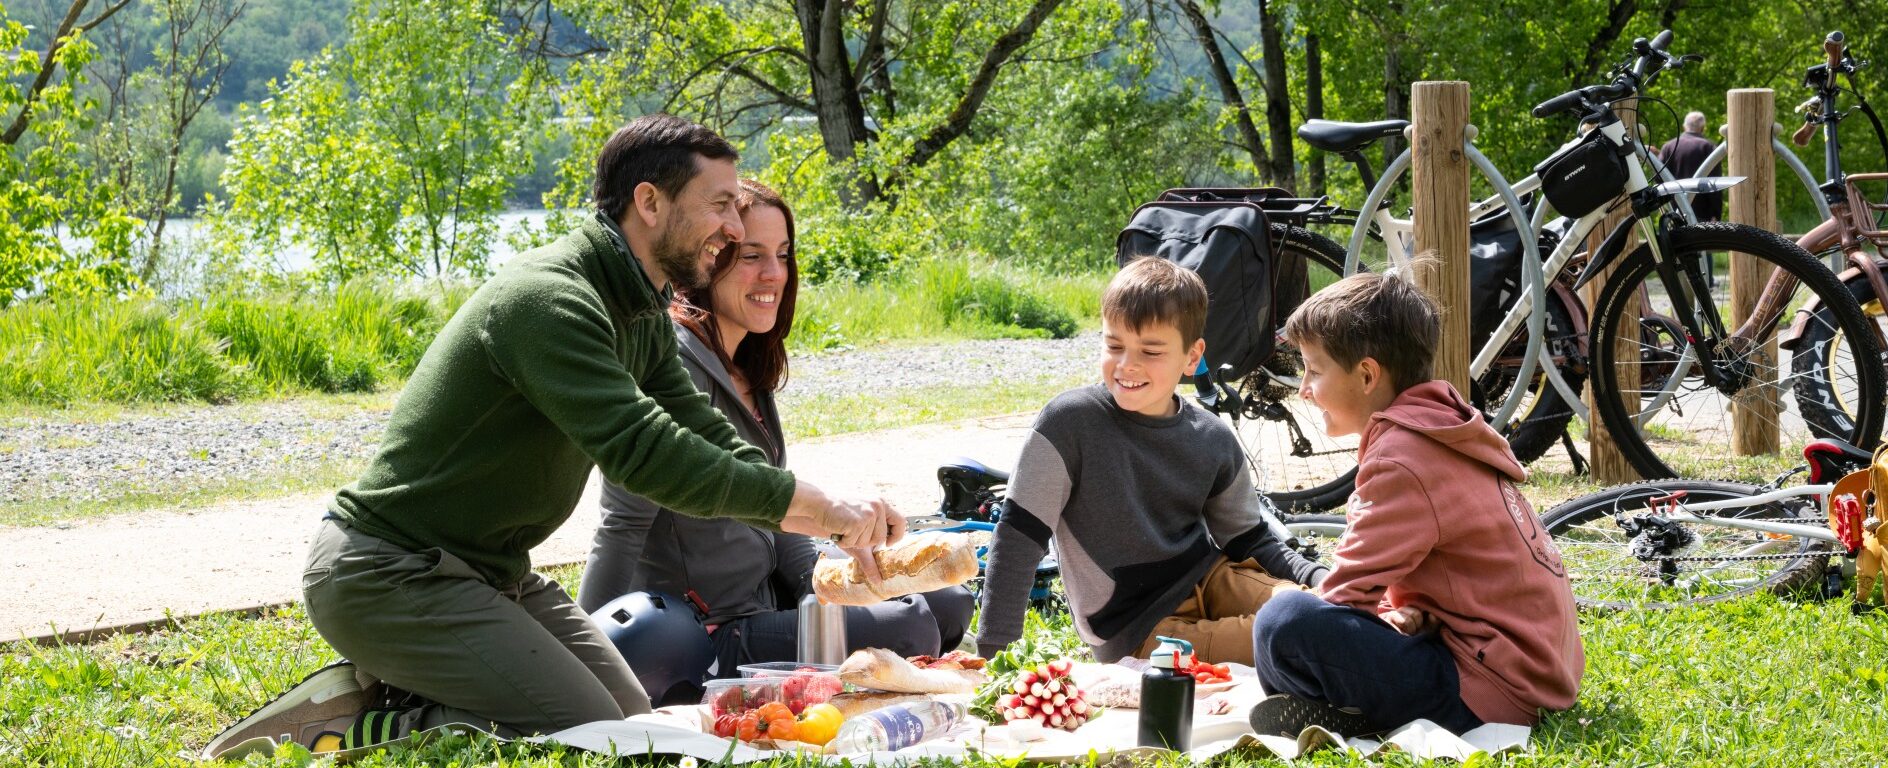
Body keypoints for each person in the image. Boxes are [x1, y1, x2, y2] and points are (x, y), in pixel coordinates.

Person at [201, 116, 904, 760]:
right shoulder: (551, 301)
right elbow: (650, 453)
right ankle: (368, 720)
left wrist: (829, 516)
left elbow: (705, 432)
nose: (731, 225)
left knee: (632, 726)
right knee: (587, 742)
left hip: (487, 574)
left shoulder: (641, 311)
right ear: (650, 202)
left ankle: (415, 683)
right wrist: (823, 511)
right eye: (719, 204)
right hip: (388, 573)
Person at [578, 179, 974, 676]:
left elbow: (776, 512)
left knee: (948, 600)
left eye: (783, 255)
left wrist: (828, 582)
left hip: (767, 604)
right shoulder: (670, 365)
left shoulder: (750, 365)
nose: (774, 274)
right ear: (708, 256)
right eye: (750, 256)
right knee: (909, 623)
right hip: (709, 631)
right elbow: (621, 524)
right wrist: (582, 655)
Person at [1247, 271, 1583, 739]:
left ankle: (1348, 716)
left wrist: (1361, 616)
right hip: (1532, 672)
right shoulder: (1438, 423)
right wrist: (1396, 614)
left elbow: (1343, 596)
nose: (1303, 388)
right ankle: (1348, 709)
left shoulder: (1401, 459)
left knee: (1281, 624)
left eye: (1314, 370)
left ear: (1367, 374)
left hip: (1489, 692)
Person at [974, 257, 1330, 667]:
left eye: (1151, 350)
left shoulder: (1211, 436)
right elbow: (1018, 539)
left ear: (1192, 357)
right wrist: (995, 659)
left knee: (1324, 610)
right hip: (1138, 630)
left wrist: (1318, 578)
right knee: (1299, 633)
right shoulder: (1068, 424)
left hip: (1211, 579)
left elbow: (1249, 538)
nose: (1127, 365)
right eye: (1114, 345)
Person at [1658, 111, 1723, 224]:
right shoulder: (1708, 148)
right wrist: (1716, 214)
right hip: (1703, 216)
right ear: (1703, 128)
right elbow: (1715, 184)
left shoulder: (1668, 147)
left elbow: (1658, 178)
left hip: (1674, 214)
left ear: (1684, 126)